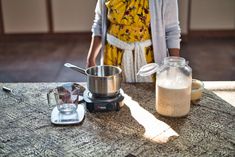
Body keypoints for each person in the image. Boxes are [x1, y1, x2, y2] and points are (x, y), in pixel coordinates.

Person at [86, 0, 181, 82]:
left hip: (147, 59)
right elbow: (99, 23)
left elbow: (172, 30)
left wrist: (174, 66)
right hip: (112, 55)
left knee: (147, 97)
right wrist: (91, 59)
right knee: (112, 95)